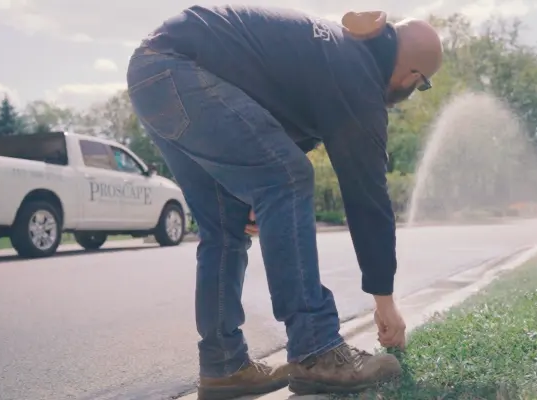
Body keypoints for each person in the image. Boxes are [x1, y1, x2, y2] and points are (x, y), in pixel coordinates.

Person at [125, 5, 443, 400]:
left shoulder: (338, 54)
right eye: (422, 85)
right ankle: (316, 350)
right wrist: (385, 303)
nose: (414, 91)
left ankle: (224, 366)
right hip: (182, 69)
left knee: (225, 225)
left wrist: (261, 194)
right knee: (289, 178)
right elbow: (368, 199)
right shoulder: (360, 74)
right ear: (413, 77)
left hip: (152, 75)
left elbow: (279, 125)